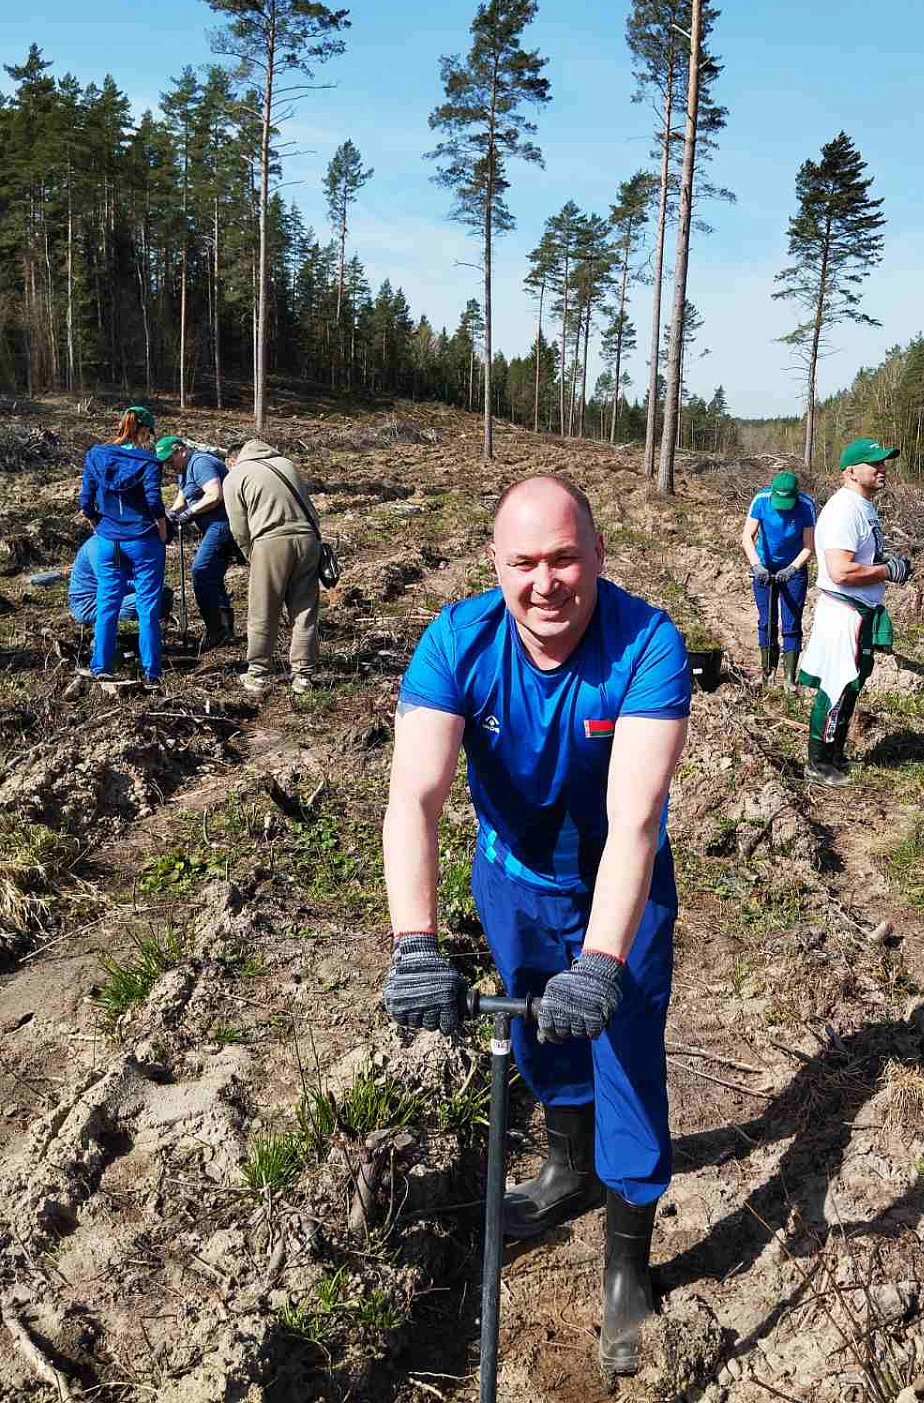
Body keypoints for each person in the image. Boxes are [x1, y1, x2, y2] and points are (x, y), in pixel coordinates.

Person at [380, 475, 690, 1376]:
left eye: (564, 558)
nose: (544, 582)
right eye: (524, 562)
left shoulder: (646, 644)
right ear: (496, 564)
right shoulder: (457, 642)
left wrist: (601, 958)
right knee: (537, 1033)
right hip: (512, 880)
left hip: (618, 890)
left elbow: (636, 819)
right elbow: (415, 795)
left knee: (624, 1048)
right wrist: (414, 944)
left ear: (597, 556)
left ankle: (628, 1260)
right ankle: (566, 1167)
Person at [797, 438, 911, 786]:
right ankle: (818, 762)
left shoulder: (864, 507)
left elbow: (860, 560)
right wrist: (886, 571)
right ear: (850, 471)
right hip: (844, 613)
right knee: (837, 684)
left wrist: (885, 565)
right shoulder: (844, 509)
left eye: (884, 463)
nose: (882, 469)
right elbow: (840, 571)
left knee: (850, 684)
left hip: (861, 611)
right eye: (874, 464)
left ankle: (834, 753)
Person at [77, 404, 167, 684]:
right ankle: (152, 673)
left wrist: (98, 526)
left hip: (109, 543)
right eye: (149, 433)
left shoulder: (96, 455)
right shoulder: (148, 462)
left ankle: (101, 667)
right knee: (148, 607)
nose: (149, 439)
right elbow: (153, 502)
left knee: (108, 603)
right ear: (142, 430)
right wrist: (162, 531)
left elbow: (85, 502)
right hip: (143, 543)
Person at [222, 439, 321, 695]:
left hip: (270, 542)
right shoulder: (286, 464)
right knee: (305, 609)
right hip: (308, 539)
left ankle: (257, 673)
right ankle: (303, 676)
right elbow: (310, 506)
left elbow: (238, 527)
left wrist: (249, 554)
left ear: (233, 459)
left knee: (263, 609)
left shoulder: (236, 475)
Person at [154, 436, 238, 654]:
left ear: (181, 450)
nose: (168, 466)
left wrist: (190, 513)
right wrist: (170, 516)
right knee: (211, 575)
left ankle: (216, 631)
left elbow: (215, 495)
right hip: (214, 527)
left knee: (201, 571)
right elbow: (182, 501)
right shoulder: (185, 471)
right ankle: (224, 631)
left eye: (169, 459)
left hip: (223, 524)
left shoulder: (200, 463)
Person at [741, 470, 816, 691]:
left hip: (794, 568)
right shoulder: (761, 501)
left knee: (791, 623)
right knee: (767, 620)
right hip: (764, 565)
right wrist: (756, 565)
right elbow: (747, 536)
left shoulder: (805, 506)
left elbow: (809, 546)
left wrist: (793, 568)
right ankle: (767, 671)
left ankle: (789, 678)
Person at [68, 536, 174, 626]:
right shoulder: (98, 546)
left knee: (163, 595)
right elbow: (111, 582)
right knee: (151, 599)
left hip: (114, 595)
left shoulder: (117, 543)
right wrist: (145, 586)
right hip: (90, 604)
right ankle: (119, 632)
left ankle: (152, 629)